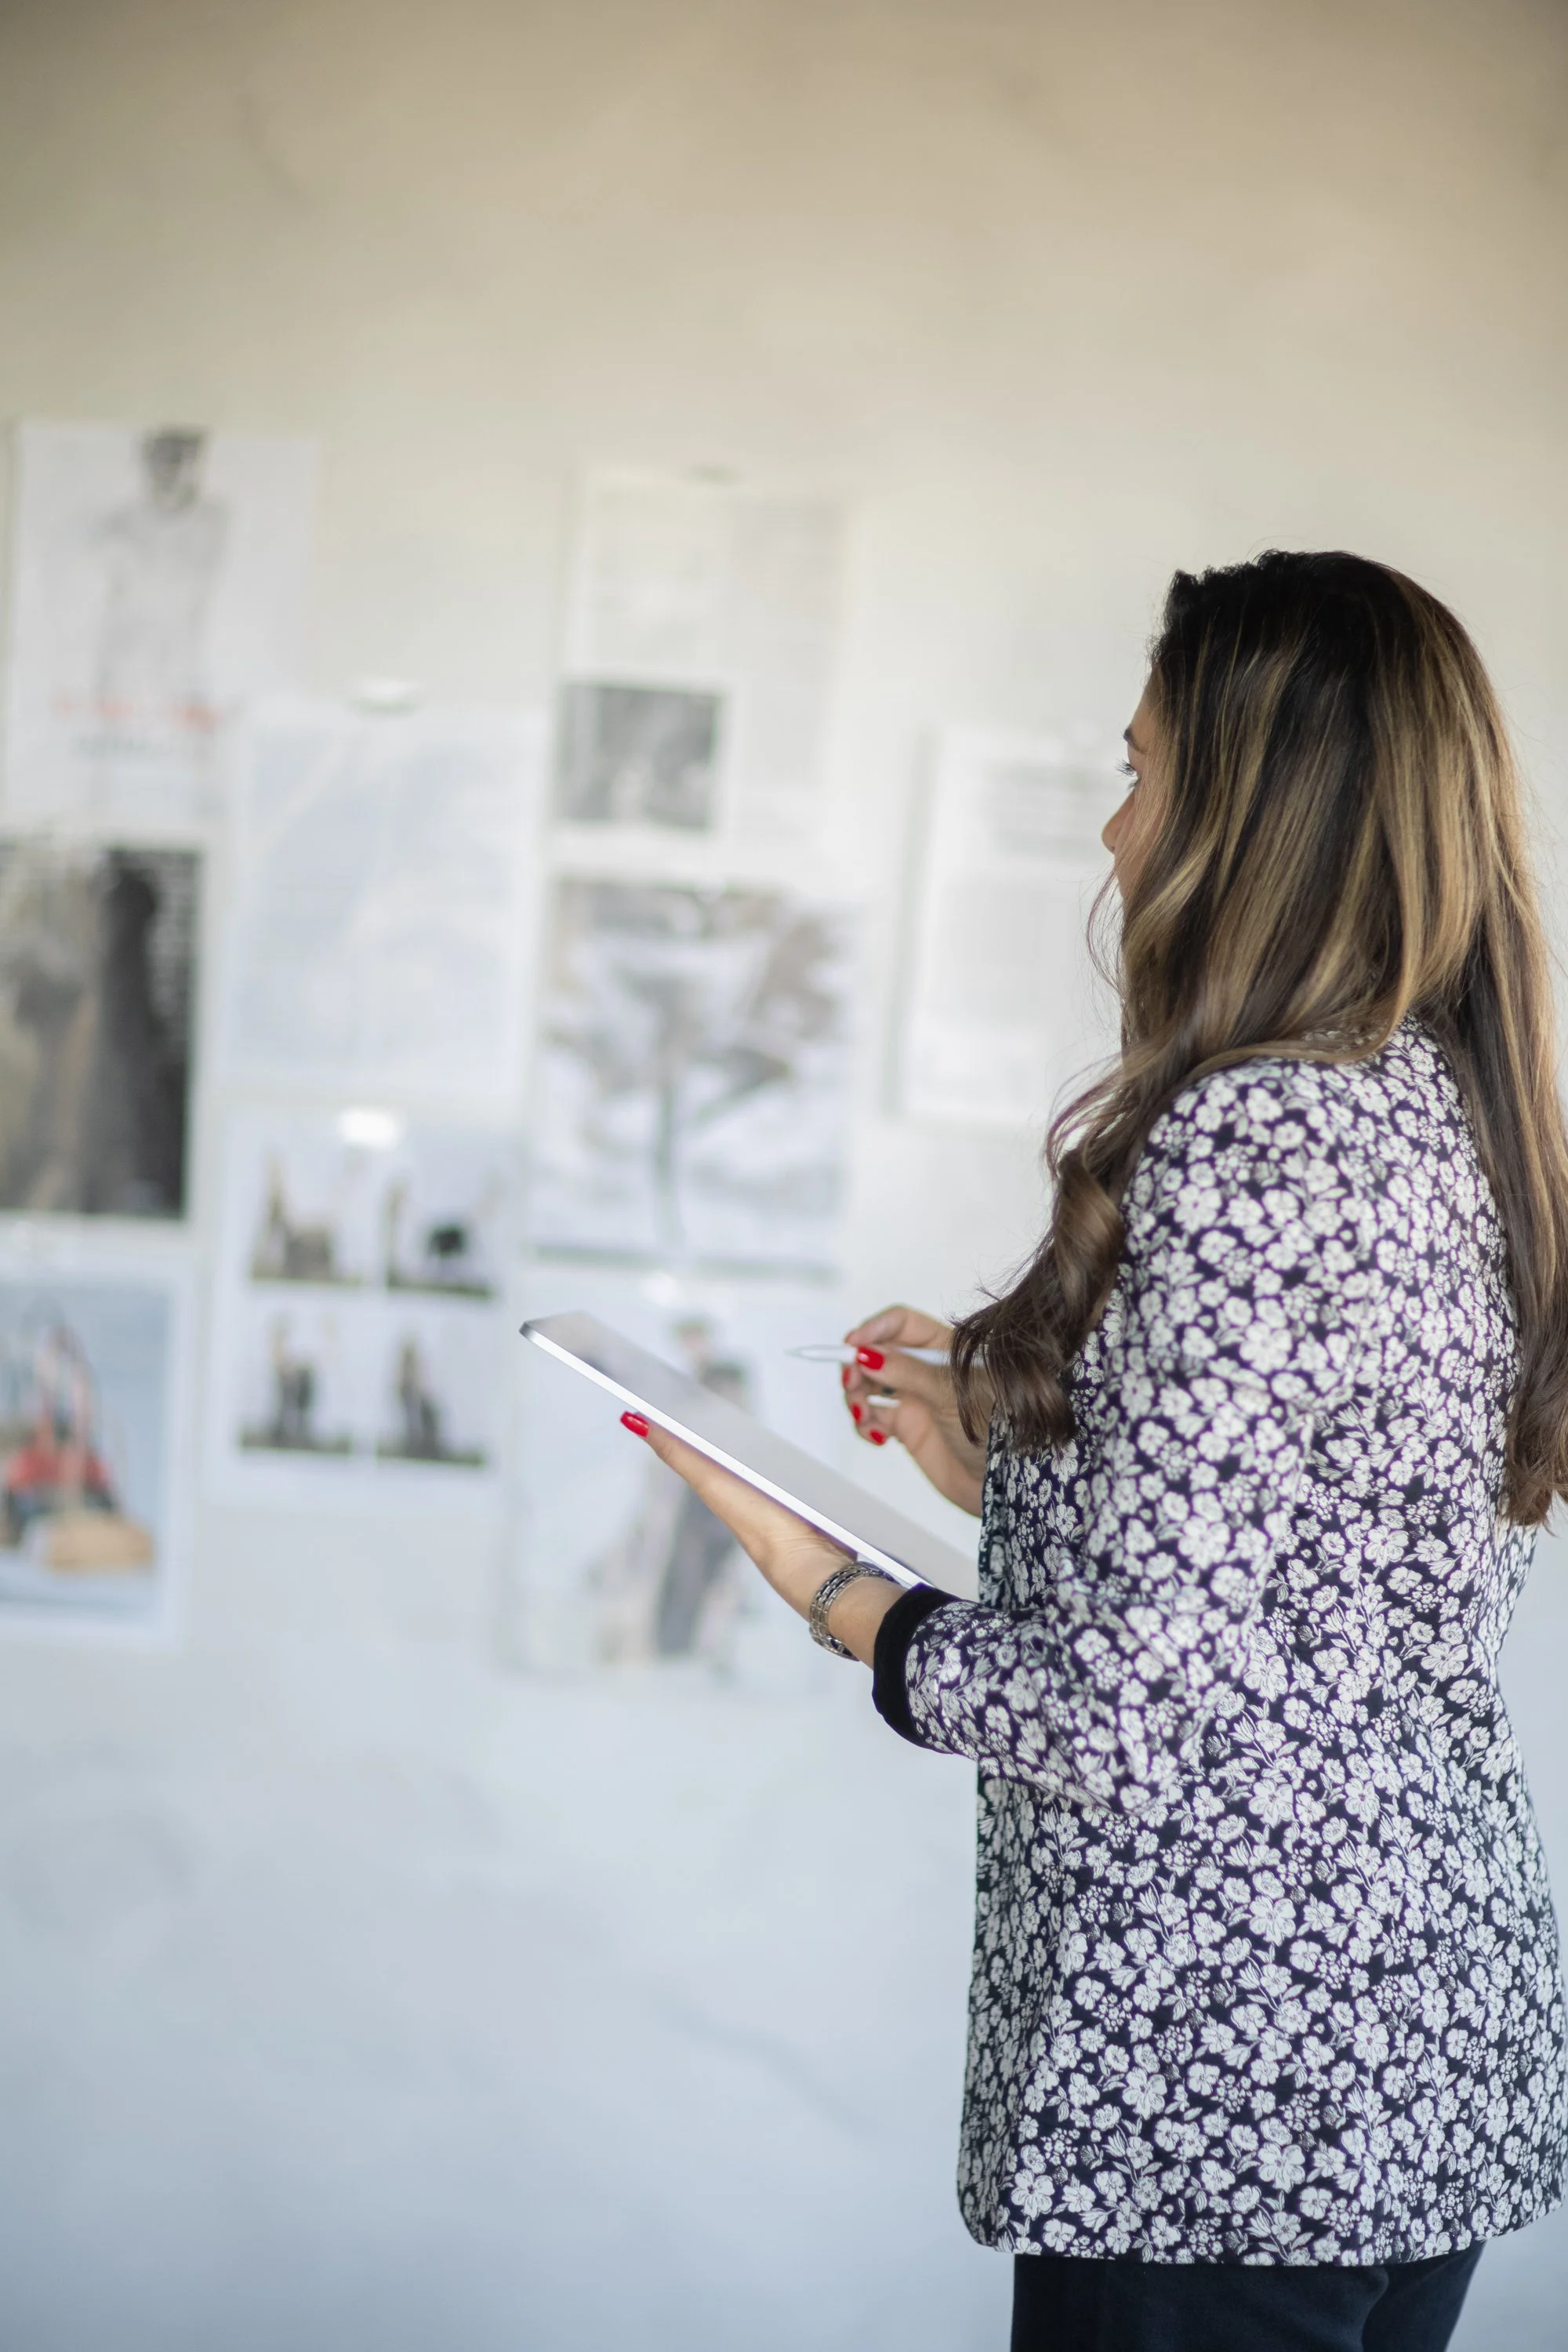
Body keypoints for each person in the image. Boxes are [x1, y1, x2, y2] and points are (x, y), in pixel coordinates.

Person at [621, 551, 1568, 2351]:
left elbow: (1121, 1717)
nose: (1115, 830)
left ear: (1251, 815)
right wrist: (1009, 1462)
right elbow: (1303, 1578)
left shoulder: (1248, 1136)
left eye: (1139, 772)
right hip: (1415, 2054)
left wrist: (829, 1587)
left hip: (1216, 2086)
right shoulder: (1444, 1111)